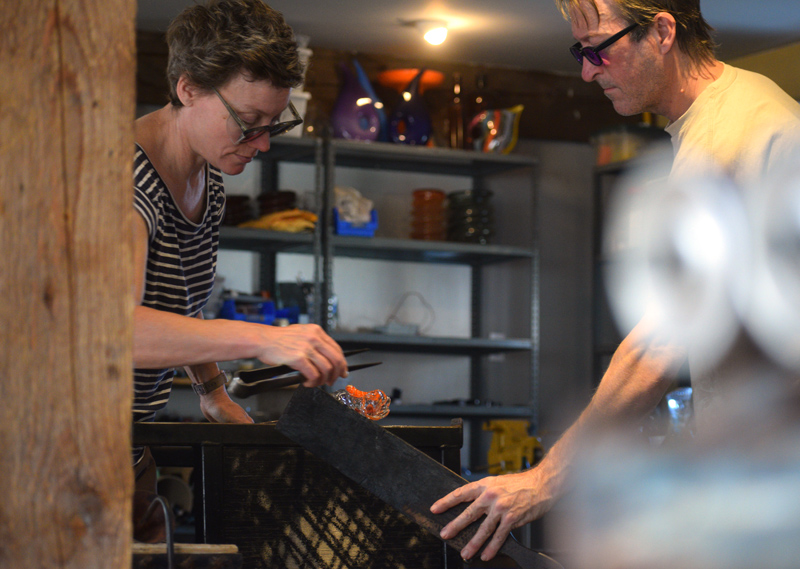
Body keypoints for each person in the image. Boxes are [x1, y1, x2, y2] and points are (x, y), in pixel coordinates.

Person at [430, 0, 800, 561]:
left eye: (600, 50)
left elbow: (664, 339)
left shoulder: (735, 134)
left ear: (662, 31)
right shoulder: (725, 118)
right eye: (579, 53)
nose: (587, 71)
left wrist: (547, 478)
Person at [131, 0, 349, 541]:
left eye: (274, 124)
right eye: (249, 123)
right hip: (50, 452)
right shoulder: (121, 180)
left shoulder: (210, 177)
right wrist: (265, 339)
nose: (263, 143)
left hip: (126, 440)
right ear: (188, 89)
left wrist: (211, 392)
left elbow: (179, 303)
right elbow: (116, 332)